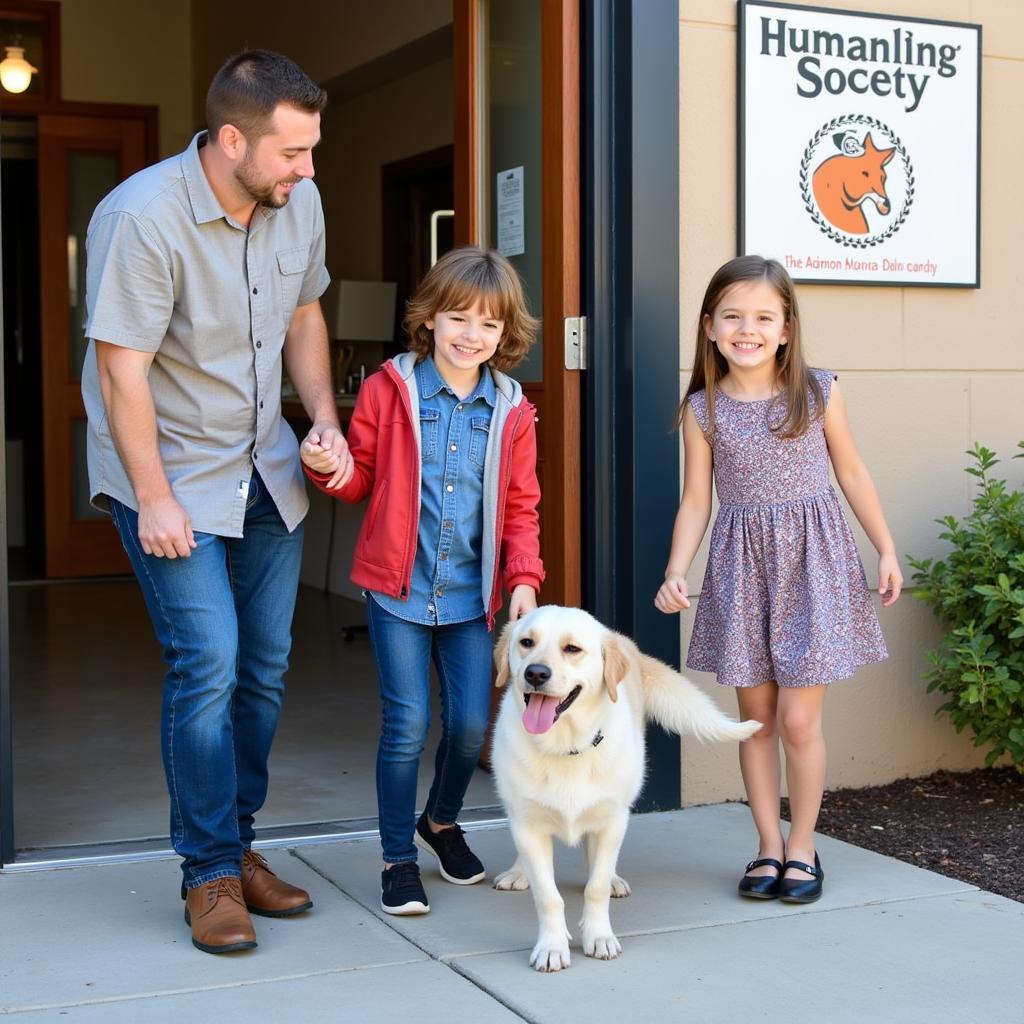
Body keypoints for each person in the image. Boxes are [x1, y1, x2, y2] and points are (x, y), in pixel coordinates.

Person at [81, 50, 353, 954]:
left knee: (264, 670)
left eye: (312, 152)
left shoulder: (296, 202)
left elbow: (306, 313)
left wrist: (322, 419)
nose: (308, 170)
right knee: (209, 663)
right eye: (293, 153)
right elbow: (121, 373)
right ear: (232, 139)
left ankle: (237, 848)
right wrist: (153, 500)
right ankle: (206, 872)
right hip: (171, 473)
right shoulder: (142, 219)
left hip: (265, 467)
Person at [301, 245, 544, 916]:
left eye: (489, 325)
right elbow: (359, 483)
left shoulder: (511, 409)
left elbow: (521, 506)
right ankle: (397, 859)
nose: (472, 336)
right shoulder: (390, 389)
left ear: (506, 333)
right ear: (430, 318)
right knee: (406, 725)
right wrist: (329, 465)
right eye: (459, 319)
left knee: (470, 727)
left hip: (472, 599)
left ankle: (438, 821)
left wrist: (523, 576)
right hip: (398, 593)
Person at [654, 255, 902, 904]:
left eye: (764, 317)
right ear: (709, 327)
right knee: (756, 720)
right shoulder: (703, 409)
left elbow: (852, 473)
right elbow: (695, 501)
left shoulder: (818, 391)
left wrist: (885, 548)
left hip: (813, 567)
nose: (748, 329)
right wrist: (677, 568)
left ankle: (803, 845)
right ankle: (767, 845)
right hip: (741, 571)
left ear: (786, 328)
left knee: (797, 720)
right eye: (733, 316)